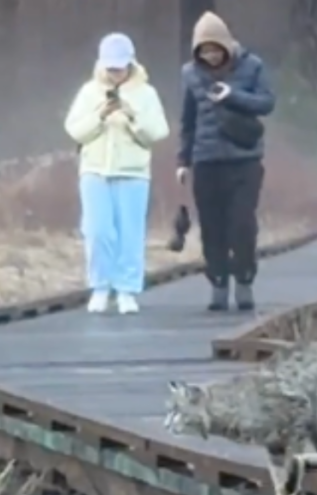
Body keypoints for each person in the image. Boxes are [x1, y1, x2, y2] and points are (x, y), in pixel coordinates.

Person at [176, 11, 276, 312]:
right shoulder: (190, 74)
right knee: (212, 226)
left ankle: (244, 278)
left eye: (215, 49)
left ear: (226, 45)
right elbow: (188, 120)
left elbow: (267, 102)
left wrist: (233, 96)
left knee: (242, 224)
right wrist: (183, 159)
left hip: (244, 159)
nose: (210, 56)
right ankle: (218, 282)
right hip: (206, 160)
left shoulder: (252, 66)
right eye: (204, 51)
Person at [64, 32, 170, 315]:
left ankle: (127, 290)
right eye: (110, 68)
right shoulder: (89, 92)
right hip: (95, 171)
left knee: (130, 234)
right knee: (98, 231)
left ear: (131, 64)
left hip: (133, 173)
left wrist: (132, 116)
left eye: (119, 67)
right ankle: (100, 287)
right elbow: (74, 130)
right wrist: (100, 115)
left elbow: (157, 132)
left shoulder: (146, 94)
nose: (115, 73)